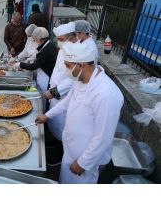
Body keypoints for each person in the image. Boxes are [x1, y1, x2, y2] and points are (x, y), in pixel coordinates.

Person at [35, 42, 124, 184]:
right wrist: (47, 115)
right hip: (70, 149)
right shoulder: (80, 79)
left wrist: (83, 163)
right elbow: (67, 101)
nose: (66, 69)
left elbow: (103, 138)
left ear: (80, 65)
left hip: (86, 159)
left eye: (68, 65)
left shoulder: (106, 95)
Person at [43, 22, 78, 141]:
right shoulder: (63, 49)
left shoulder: (77, 53)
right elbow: (57, 71)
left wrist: (53, 91)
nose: (59, 42)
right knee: (54, 122)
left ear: (72, 37)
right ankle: (53, 140)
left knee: (61, 125)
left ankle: (59, 146)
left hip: (63, 95)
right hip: (55, 92)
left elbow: (72, 80)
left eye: (61, 39)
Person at [13, 27, 57, 95]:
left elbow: (33, 67)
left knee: (43, 93)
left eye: (35, 38)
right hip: (44, 73)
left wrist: (20, 64)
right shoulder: (48, 44)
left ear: (38, 38)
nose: (35, 40)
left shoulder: (46, 50)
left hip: (46, 75)